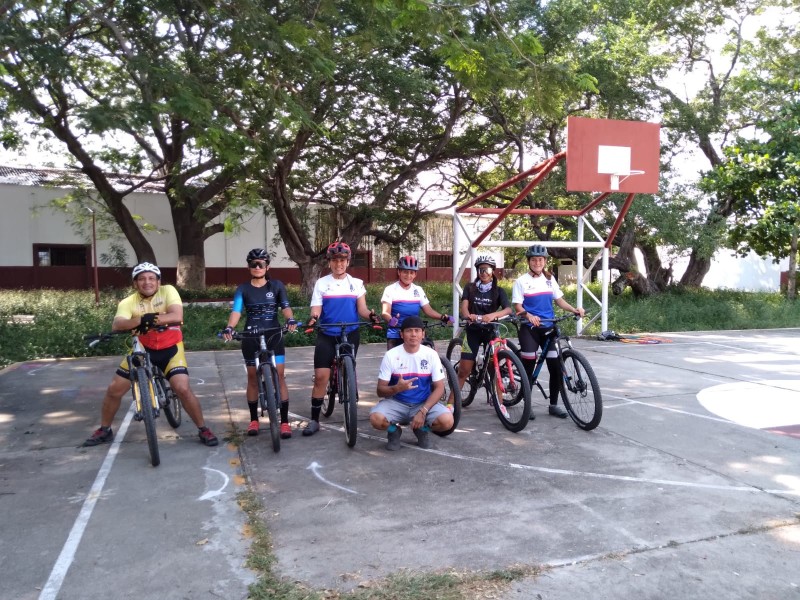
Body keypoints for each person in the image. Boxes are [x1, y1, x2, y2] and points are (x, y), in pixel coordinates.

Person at [83, 262, 218, 447]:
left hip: (171, 348)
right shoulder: (127, 302)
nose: (147, 282)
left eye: (151, 278)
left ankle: (203, 429)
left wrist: (148, 319)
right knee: (114, 390)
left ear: (158, 281)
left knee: (183, 389)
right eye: (142, 279)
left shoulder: (168, 291)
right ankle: (105, 429)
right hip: (142, 349)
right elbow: (118, 324)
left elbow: (176, 315)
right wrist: (141, 320)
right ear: (135, 283)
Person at [304, 241, 379, 436]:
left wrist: (370, 316)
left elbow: (361, 309)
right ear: (329, 262)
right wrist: (313, 318)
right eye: (335, 260)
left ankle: (349, 385)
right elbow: (317, 309)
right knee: (321, 376)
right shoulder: (322, 283)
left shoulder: (356, 283)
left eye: (343, 260)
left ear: (348, 262)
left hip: (350, 333)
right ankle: (314, 420)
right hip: (327, 334)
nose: (339, 264)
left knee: (349, 365)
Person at [222, 249, 297, 439]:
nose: (257, 267)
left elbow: (286, 307)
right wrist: (230, 327)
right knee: (252, 378)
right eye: (253, 264)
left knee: (280, 376)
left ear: (267, 266)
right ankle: (253, 419)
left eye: (261, 264)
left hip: (274, 334)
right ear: (248, 267)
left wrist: (291, 320)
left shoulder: (277, 286)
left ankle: (285, 422)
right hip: (250, 337)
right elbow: (237, 311)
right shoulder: (243, 289)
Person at [512, 244, 585, 419]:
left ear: (545, 261)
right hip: (530, 329)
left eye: (540, 260)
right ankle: (527, 405)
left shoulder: (549, 279)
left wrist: (574, 309)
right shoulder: (521, 281)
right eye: (534, 260)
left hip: (548, 327)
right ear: (529, 261)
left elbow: (559, 300)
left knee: (556, 368)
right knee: (528, 367)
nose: (537, 262)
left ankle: (553, 404)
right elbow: (517, 306)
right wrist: (528, 315)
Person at [370, 316, 454, 450]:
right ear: (402, 335)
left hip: (422, 403)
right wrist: (397, 388)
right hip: (396, 403)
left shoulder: (431, 355)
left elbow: (439, 387)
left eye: (417, 330)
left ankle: (422, 430)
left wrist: (423, 411)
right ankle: (394, 431)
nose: (413, 334)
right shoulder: (391, 355)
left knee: (447, 421)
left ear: (423, 334)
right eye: (409, 331)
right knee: (376, 419)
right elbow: (380, 391)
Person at [456, 255, 513, 394]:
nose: (484, 273)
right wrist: (468, 315)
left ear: (492, 271)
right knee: (464, 371)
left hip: (492, 332)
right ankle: (451, 404)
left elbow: (508, 309)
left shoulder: (499, 291)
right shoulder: (470, 288)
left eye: (487, 269)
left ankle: (500, 405)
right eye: (481, 270)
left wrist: (493, 315)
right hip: (473, 331)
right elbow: (464, 306)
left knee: (495, 370)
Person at [380, 255, 453, 349]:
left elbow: (428, 310)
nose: (408, 275)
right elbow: (385, 312)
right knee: (395, 362)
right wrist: (390, 320)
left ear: (415, 274)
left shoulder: (418, 290)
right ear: (399, 272)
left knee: (426, 356)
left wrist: (443, 317)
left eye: (411, 273)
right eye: (405, 272)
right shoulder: (390, 289)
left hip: (414, 334)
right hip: (396, 334)